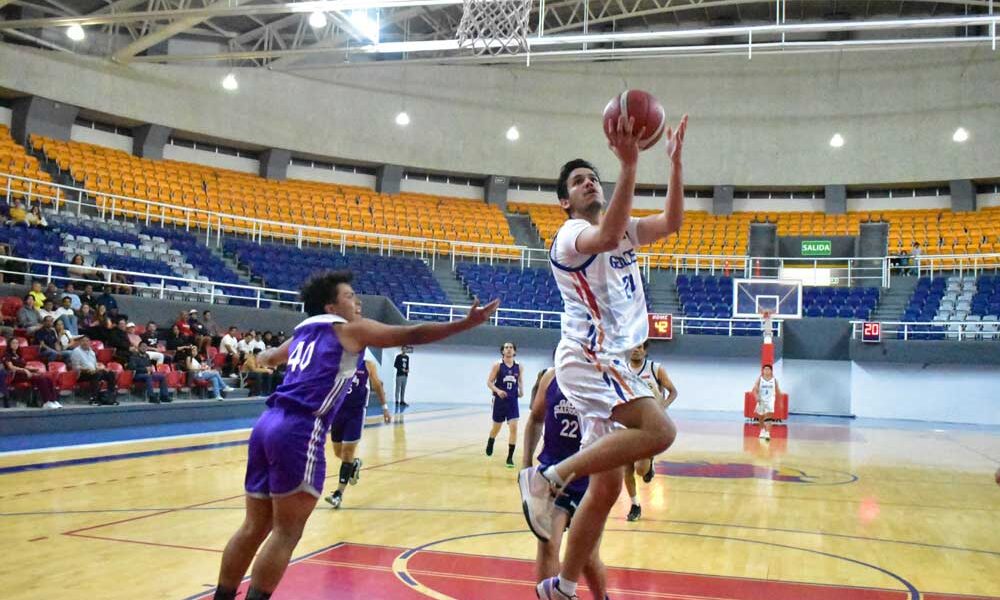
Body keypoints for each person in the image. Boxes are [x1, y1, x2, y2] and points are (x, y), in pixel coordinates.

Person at [211, 271, 498, 600]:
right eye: (349, 296)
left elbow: (269, 358)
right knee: (286, 532)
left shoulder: (302, 332)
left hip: (265, 424)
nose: (357, 301)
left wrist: (257, 358)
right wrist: (465, 323)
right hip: (299, 429)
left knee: (253, 527)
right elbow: (412, 332)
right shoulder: (350, 330)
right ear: (331, 307)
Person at [520, 113, 688, 600]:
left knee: (609, 488)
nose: (589, 183)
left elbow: (672, 222)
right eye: (578, 181)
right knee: (661, 431)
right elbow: (608, 235)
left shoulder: (624, 231)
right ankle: (547, 477)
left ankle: (564, 587)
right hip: (590, 355)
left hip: (613, 360)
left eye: (594, 177)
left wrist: (674, 165)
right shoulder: (570, 234)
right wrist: (630, 167)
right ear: (564, 202)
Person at [523, 367, 607, 599]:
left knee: (588, 557)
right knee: (548, 544)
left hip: (591, 478)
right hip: (552, 474)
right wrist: (526, 467)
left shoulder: (606, 380)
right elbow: (535, 420)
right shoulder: (551, 377)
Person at [324, 355, 391, 510]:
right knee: (337, 452)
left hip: (355, 413)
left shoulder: (368, 365)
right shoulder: (337, 363)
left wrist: (385, 408)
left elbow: (378, 385)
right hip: (337, 412)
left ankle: (338, 494)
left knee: (347, 453)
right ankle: (354, 463)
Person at [623, 340, 678, 522]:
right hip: (628, 422)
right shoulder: (621, 370)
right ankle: (635, 505)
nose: (636, 350)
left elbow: (673, 392)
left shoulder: (655, 369)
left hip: (649, 424)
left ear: (645, 351)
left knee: (640, 470)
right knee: (626, 467)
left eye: (639, 347)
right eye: (633, 347)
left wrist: (662, 407)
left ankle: (649, 463)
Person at [485, 341, 523, 468]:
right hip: (500, 401)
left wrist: (521, 391)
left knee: (514, 428)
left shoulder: (519, 366)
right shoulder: (497, 365)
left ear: (514, 351)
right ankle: (491, 440)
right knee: (497, 428)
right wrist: (498, 390)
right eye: (506, 347)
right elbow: (489, 382)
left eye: (511, 347)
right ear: (502, 351)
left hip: (512, 401)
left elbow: (520, 381)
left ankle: (510, 457)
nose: (508, 349)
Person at [4, 337, 61, 409]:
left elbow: (25, 366)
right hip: (15, 375)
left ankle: (53, 400)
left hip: (25, 374)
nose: (15, 344)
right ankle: (46, 402)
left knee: (47, 378)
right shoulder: (7, 355)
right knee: (41, 379)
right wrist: (24, 370)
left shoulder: (19, 355)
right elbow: (11, 367)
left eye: (17, 343)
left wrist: (35, 370)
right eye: (13, 343)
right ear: (9, 345)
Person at [69, 336, 119, 406]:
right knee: (96, 375)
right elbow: (75, 367)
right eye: (83, 341)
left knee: (110, 374)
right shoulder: (76, 352)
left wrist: (102, 369)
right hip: (81, 373)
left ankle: (110, 397)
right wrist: (87, 370)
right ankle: (93, 399)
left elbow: (94, 364)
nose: (85, 343)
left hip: (93, 371)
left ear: (89, 342)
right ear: (80, 342)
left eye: (87, 341)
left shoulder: (92, 352)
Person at [751, 364, 781, 441]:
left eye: (768, 369)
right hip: (761, 400)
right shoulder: (760, 379)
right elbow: (754, 389)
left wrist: (780, 401)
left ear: (771, 371)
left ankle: (767, 433)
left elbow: (778, 390)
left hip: (770, 400)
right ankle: (762, 430)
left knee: (769, 415)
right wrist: (756, 396)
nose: (766, 371)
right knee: (761, 417)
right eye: (765, 369)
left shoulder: (774, 380)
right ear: (763, 371)